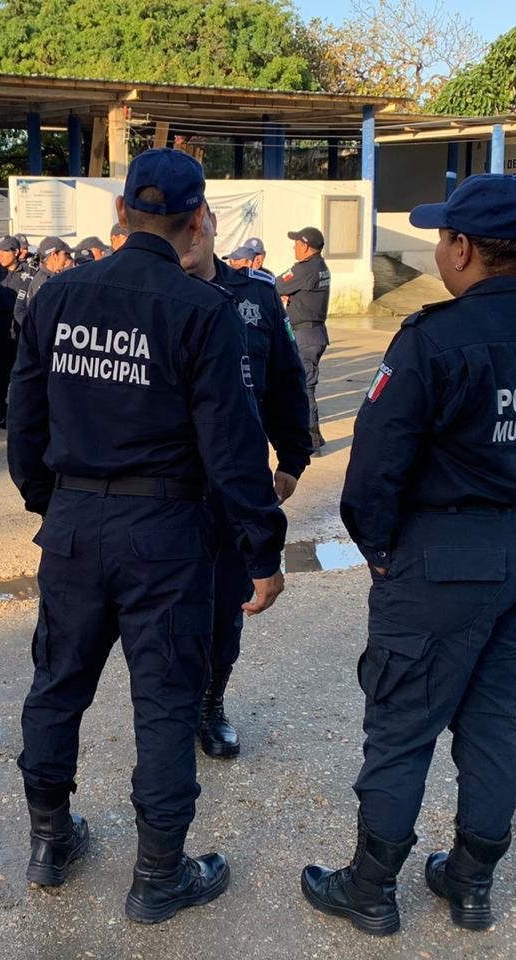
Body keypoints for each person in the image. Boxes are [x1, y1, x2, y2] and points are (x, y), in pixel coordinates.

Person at [300, 175, 516, 937]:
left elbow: (373, 470)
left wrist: (380, 552)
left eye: (444, 239)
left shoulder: (433, 339)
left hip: (444, 558)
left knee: (402, 727)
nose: (440, 251)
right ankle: (471, 882)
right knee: (493, 722)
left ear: (465, 248)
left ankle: (371, 886)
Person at [7, 148, 287, 924]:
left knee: (57, 684)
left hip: (74, 524)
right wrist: (262, 547)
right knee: (164, 703)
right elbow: (233, 448)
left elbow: (24, 422)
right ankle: (158, 875)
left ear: (122, 211)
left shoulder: (58, 295)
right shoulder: (202, 309)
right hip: (163, 533)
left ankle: (49, 840)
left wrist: (53, 504)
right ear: (197, 221)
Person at [182, 208, 313, 759]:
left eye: (197, 222)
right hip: (166, 489)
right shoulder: (150, 297)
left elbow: (285, 380)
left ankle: (210, 705)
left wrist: (293, 457)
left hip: (234, 488)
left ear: (211, 222)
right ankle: (170, 712)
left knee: (226, 606)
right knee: (167, 611)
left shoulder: (255, 297)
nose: (189, 233)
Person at [276, 227, 332, 452]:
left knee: (305, 388)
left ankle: (312, 440)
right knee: (302, 385)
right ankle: (312, 437)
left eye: (297, 243)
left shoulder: (305, 269)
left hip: (305, 336)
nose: (294, 247)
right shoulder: (320, 266)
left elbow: (276, 284)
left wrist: (286, 293)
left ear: (306, 246)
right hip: (314, 333)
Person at [0, 236, 34, 429]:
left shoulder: (29, 273)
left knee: (21, 374)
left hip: (21, 328)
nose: (1, 255)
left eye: (6, 251)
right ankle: (0, 412)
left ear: (16, 252)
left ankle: (20, 412)